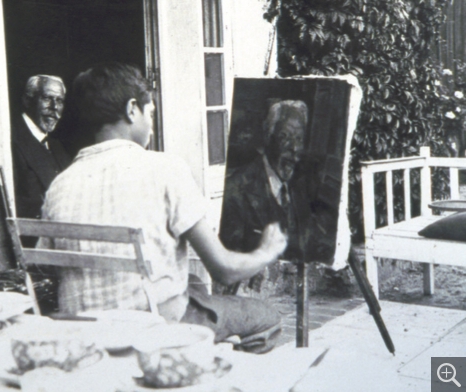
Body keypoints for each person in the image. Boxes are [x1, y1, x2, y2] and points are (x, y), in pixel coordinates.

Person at [39, 62, 288, 353]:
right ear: (133, 109)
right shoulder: (165, 168)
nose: (152, 124)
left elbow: (52, 268)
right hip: (153, 327)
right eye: (151, 113)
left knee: (193, 282)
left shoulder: (59, 184)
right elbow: (225, 270)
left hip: (84, 332)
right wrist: (266, 251)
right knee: (267, 318)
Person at [218, 100, 311, 293]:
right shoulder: (238, 187)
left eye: (299, 139)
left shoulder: (302, 187)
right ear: (268, 138)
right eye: (285, 137)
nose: (294, 148)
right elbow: (230, 257)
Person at [12, 75, 72, 223]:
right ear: (27, 100)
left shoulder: (56, 146)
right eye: (47, 98)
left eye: (60, 101)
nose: (54, 107)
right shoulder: (11, 140)